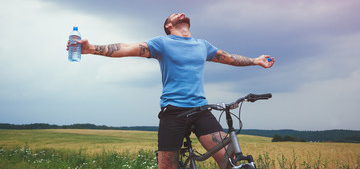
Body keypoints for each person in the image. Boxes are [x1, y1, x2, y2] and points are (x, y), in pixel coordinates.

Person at [67, 13, 275, 168]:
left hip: (201, 109)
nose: (181, 14)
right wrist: (91, 48)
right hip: (173, 112)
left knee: (229, 161)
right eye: (175, 14)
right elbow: (127, 48)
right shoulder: (163, 42)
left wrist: (255, 61)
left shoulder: (202, 45)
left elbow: (229, 58)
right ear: (168, 25)